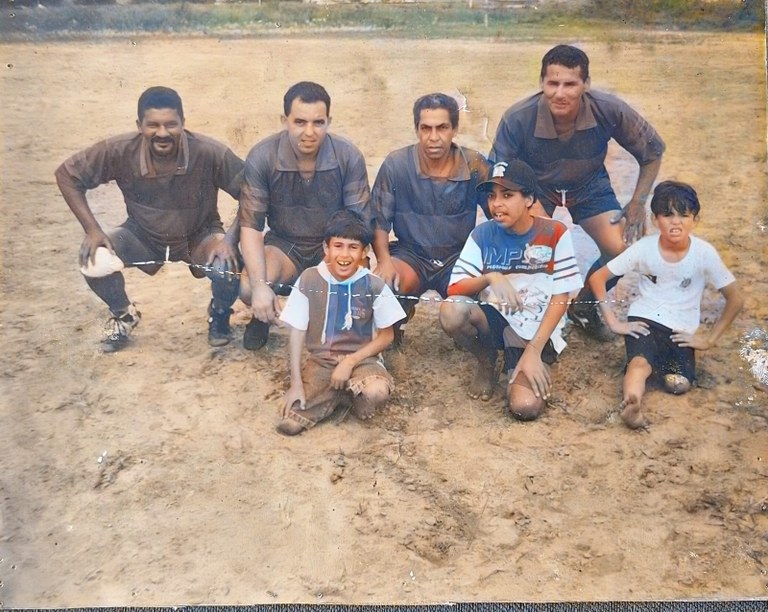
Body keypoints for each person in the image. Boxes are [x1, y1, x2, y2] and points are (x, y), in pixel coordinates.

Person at [490, 44, 665, 340]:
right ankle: (528, 320)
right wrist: (531, 214)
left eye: (570, 84)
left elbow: (652, 152)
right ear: (542, 83)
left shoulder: (608, 108)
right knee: (536, 252)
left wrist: (637, 202)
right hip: (536, 188)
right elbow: (500, 174)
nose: (560, 93)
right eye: (552, 83)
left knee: (621, 249)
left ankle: (583, 305)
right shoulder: (518, 117)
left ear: (586, 84)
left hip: (588, 185)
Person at [55, 86, 244, 352]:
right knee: (93, 258)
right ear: (139, 125)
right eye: (153, 125)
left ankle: (220, 313)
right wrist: (92, 229)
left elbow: (251, 191)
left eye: (171, 124)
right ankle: (124, 315)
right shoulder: (120, 150)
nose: (162, 133)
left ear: (183, 123)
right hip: (142, 235)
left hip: (199, 236)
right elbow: (67, 175)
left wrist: (231, 238)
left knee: (229, 260)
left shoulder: (208, 151)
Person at [588, 181, 743, 429]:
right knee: (639, 365)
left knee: (678, 384)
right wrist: (614, 321)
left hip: (680, 329)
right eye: (667, 214)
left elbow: (736, 298)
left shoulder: (704, 253)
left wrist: (709, 340)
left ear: (695, 219)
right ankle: (632, 404)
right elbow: (597, 278)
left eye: (684, 215)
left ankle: (657, 367)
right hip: (645, 321)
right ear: (654, 218)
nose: (676, 222)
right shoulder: (644, 249)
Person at [440, 160, 584, 421]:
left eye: (507, 195)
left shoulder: (554, 233)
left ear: (529, 198)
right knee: (452, 310)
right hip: (496, 319)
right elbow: (455, 287)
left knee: (524, 406)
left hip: (537, 329)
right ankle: (487, 363)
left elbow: (561, 297)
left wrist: (533, 351)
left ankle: (523, 359)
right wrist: (490, 277)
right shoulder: (482, 234)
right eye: (492, 196)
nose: (497, 204)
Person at [238, 81, 373, 351]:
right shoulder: (262, 155)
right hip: (285, 247)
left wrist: (341, 263)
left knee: (363, 284)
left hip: (332, 246)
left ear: (329, 121)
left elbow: (359, 224)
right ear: (284, 120)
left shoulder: (348, 155)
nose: (309, 132)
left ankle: (347, 330)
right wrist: (261, 286)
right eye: (299, 122)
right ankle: (262, 315)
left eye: (318, 123)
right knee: (248, 287)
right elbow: (251, 226)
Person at [371, 92, 490, 343]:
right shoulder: (397, 164)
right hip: (411, 254)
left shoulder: (474, 163)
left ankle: (477, 347)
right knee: (382, 285)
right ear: (417, 129)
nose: (433, 137)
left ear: (454, 129)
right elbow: (379, 221)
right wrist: (383, 261)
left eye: (442, 128)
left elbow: (499, 211)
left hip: (459, 255)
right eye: (426, 128)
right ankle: (393, 332)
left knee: (480, 299)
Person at [276, 210, 406, 436]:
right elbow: (297, 331)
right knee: (291, 422)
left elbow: (387, 336)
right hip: (322, 361)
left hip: (362, 359)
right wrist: (295, 383)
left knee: (376, 391)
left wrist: (350, 362)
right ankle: (336, 394)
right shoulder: (309, 278)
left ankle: (353, 395)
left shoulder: (373, 285)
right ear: (326, 248)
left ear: (364, 252)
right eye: (338, 246)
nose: (344, 255)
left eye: (353, 247)